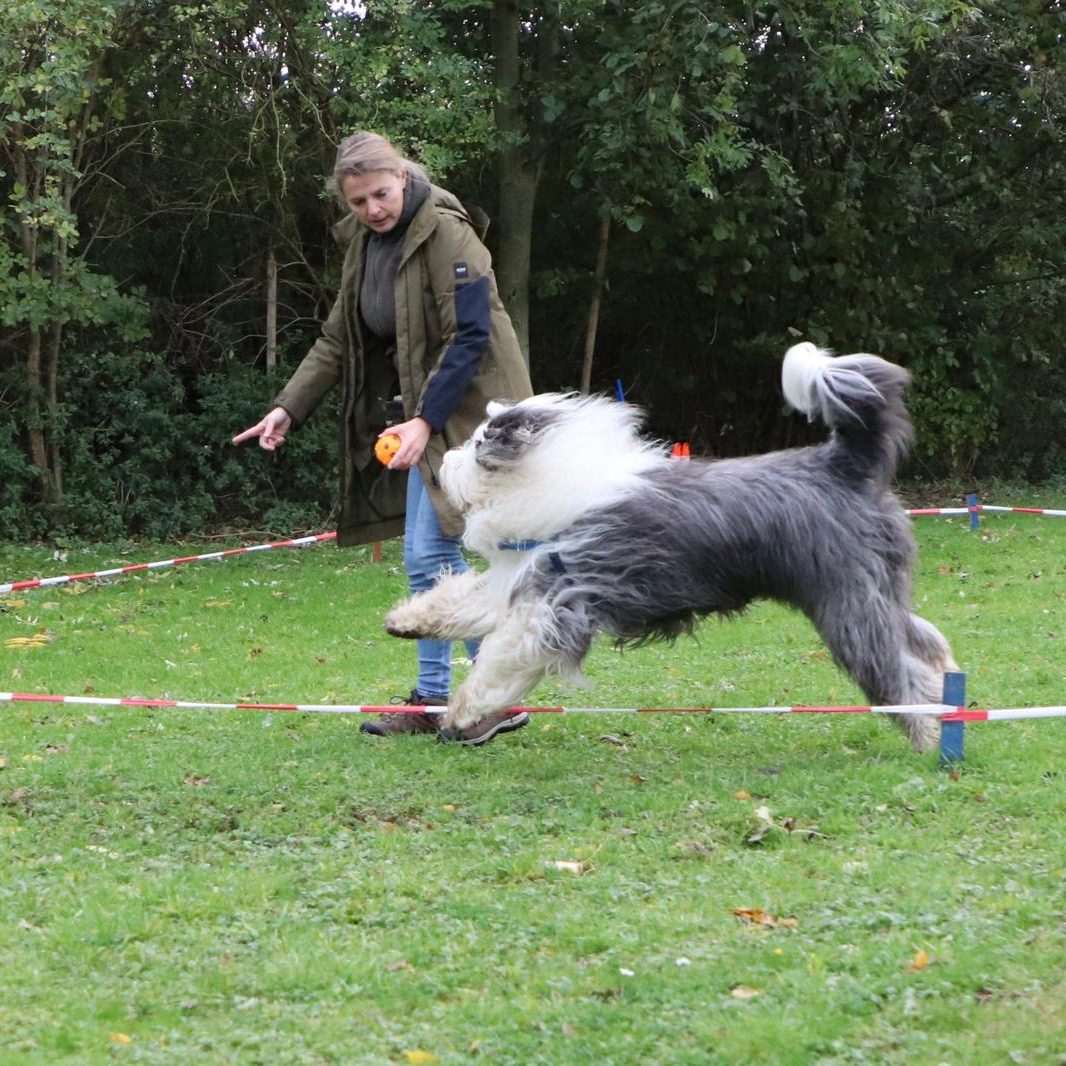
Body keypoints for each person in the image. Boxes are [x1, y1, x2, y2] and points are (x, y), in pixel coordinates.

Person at [233, 131, 533, 745]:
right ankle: (450, 698)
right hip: (422, 417)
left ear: (403, 176)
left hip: (476, 416)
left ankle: (487, 696)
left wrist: (425, 420)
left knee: (432, 552)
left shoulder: (450, 232)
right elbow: (337, 339)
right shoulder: (364, 248)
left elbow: (470, 336)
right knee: (427, 554)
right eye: (359, 202)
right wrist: (288, 408)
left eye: (381, 193)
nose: (373, 208)